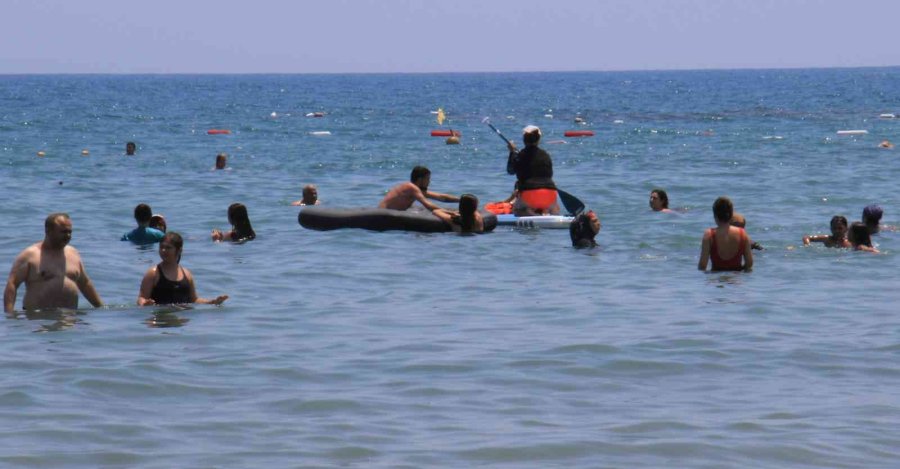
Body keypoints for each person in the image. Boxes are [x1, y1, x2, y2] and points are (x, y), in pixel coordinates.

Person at [4, 213, 104, 312]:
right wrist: (9, 314)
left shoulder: (73, 253)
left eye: (70, 232)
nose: (68, 235)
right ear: (48, 231)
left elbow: (84, 283)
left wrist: (101, 307)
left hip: (69, 319)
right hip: (38, 321)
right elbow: (12, 284)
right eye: (63, 232)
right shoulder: (30, 255)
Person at [138, 232, 228, 306]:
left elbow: (194, 300)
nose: (163, 250)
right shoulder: (153, 273)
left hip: (182, 323)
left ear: (179, 250)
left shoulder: (186, 274)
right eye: (161, 247)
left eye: (168, 248)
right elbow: (141, 298)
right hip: (160, 321)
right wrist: (144, 303)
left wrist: (212, 302)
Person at [506, 125, 560, 216]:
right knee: (553, 209)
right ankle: (546, 211)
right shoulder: (546, 155)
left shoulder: (520, 155)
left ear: (524, 140)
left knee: (516, 211)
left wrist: (512, 152)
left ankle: (527, 211)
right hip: (550, 194)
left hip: (529, 195)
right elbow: (549, 175)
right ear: (538, 140)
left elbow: (510, 171)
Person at [698, 197, 753, 272]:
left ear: (715, 216)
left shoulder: (709, 234)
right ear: (731, 215)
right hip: (736, 280)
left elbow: (702, 265)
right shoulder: (742, 233)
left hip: (716, 280)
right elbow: (749, 263)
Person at [379, 166, 459, 211]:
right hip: (383, 215)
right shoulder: (411, 188)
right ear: (420, 179)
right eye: (428, 179)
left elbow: (441, 197)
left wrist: (461, 200)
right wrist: (448, 212)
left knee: (419, 209)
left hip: (385, 213)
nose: (429, 182)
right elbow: (428, 205)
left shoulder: (413, 189)